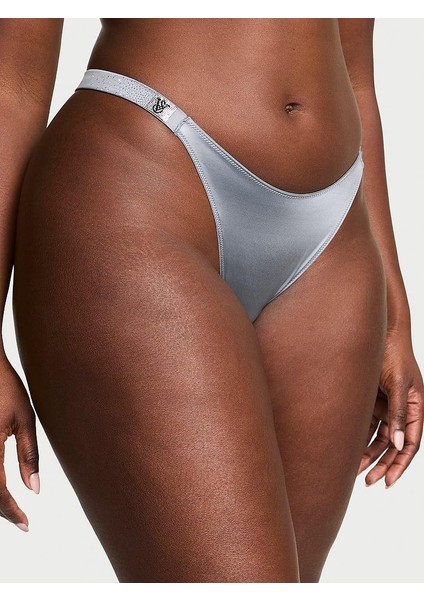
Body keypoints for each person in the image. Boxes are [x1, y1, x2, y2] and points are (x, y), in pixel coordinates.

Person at [0, 17, 422, 583]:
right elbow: (12, 84)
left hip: (334, 239)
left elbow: (357, 75)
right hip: (145, 182)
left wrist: (396, 316)